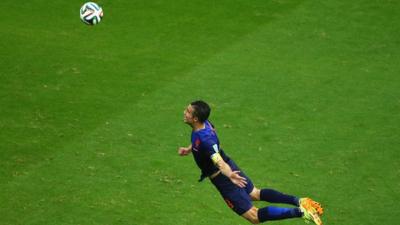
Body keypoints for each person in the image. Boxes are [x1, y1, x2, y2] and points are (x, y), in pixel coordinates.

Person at [178, 100, 323, 224]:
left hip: (224, 176)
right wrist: (190, 149)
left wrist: (230, 176)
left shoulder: (205, 140)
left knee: (254, 216)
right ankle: (301, 201)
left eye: (188, 111)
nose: (185, 112)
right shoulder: (205, 125)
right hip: (229, 166)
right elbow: (206, 141)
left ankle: (302, 212)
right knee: (254, 193)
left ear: (196, 119)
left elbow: (219, 162)